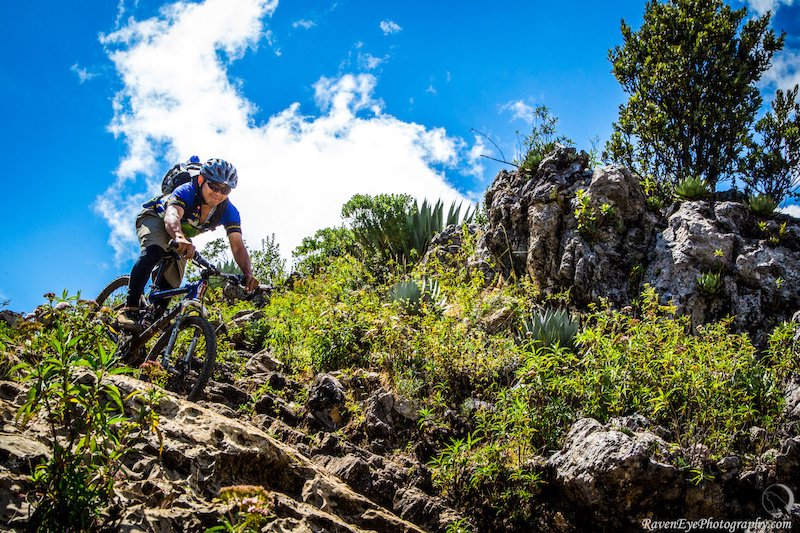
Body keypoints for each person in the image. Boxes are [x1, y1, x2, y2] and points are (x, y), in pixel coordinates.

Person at [117, 158, 259, 331]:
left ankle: (151, 320)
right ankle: (129, 309)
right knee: (154, 251)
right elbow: (172, 215)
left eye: (225, 189)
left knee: (172, 280)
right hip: (156, 218)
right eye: (214, 186)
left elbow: (237, 246)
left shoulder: (229, 211)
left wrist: (248, 273)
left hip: (181, 235)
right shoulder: (187, 190)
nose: (218, 193)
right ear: (201, 180)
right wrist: (179, 236)